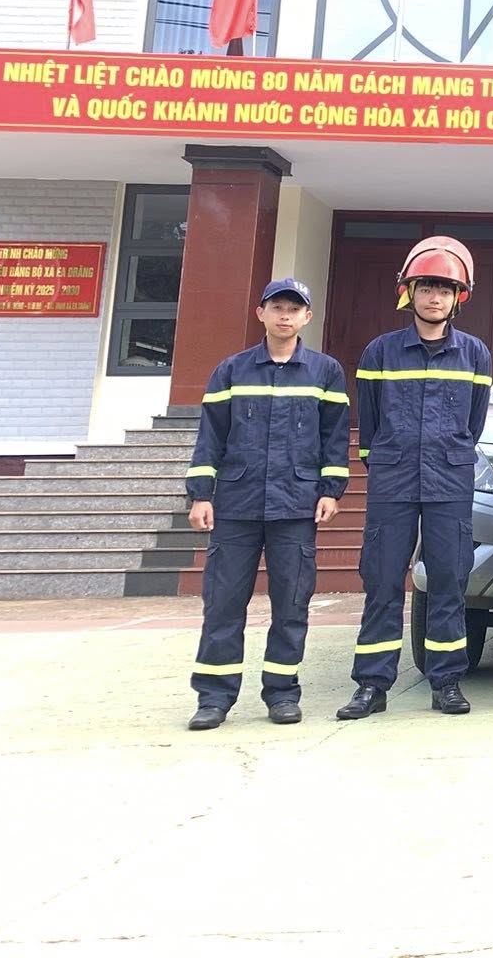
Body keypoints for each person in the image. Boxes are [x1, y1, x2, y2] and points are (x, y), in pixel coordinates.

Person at [182, 277, 350, 730]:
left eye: (294, 309)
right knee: (222, 603)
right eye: (277, 307)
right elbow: (210, 437)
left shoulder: (325, 372)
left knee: (292, 604)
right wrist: (200, 495)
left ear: (306, 317)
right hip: (236, 505)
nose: (284, 315)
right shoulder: (231, 371)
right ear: (261, 313)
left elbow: (334, 437)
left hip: (295, 506)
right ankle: (214, 697)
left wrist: (332, 489)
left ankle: (281, 692)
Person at [338, 236, 493, 721]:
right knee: (382, 581)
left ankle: (446, 681)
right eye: (426, 287)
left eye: (445, 290)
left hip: (449, 481)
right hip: (394, 481)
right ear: (409, 292)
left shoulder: (475, 355)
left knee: (448, 581)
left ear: (458, 298)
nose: (434, 298)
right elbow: (371, 419)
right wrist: (385, 460)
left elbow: (475, 422)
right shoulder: (380, 352)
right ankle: (372, 684)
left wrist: (449, 456)